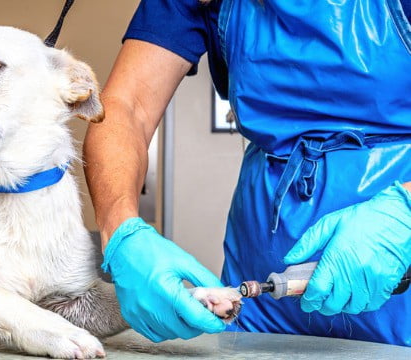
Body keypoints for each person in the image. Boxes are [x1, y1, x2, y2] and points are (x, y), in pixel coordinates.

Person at [83, 0, 411, 346]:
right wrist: (123, 234)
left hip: (396, 281)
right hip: (258, 299)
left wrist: (404, 215)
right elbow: (126, 106)